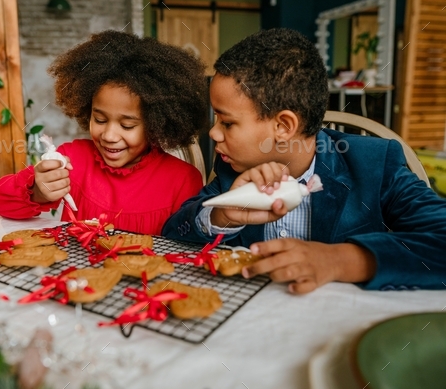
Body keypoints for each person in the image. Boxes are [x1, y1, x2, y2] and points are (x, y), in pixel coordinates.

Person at [162, 28, 446, 293]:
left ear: (284, 127)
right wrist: (221, 215)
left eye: (227, 122)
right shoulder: (232, 169)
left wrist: (341, 260)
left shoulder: (373, 165)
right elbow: (173, 235)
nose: (213, 133)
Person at [0, 30, 208, 235]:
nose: (109, 136)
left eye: (127, 125)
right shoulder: (71, 161)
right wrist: (37, 192)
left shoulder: (182, 180)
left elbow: (189, 246)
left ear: (156, 123)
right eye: (100, 119)